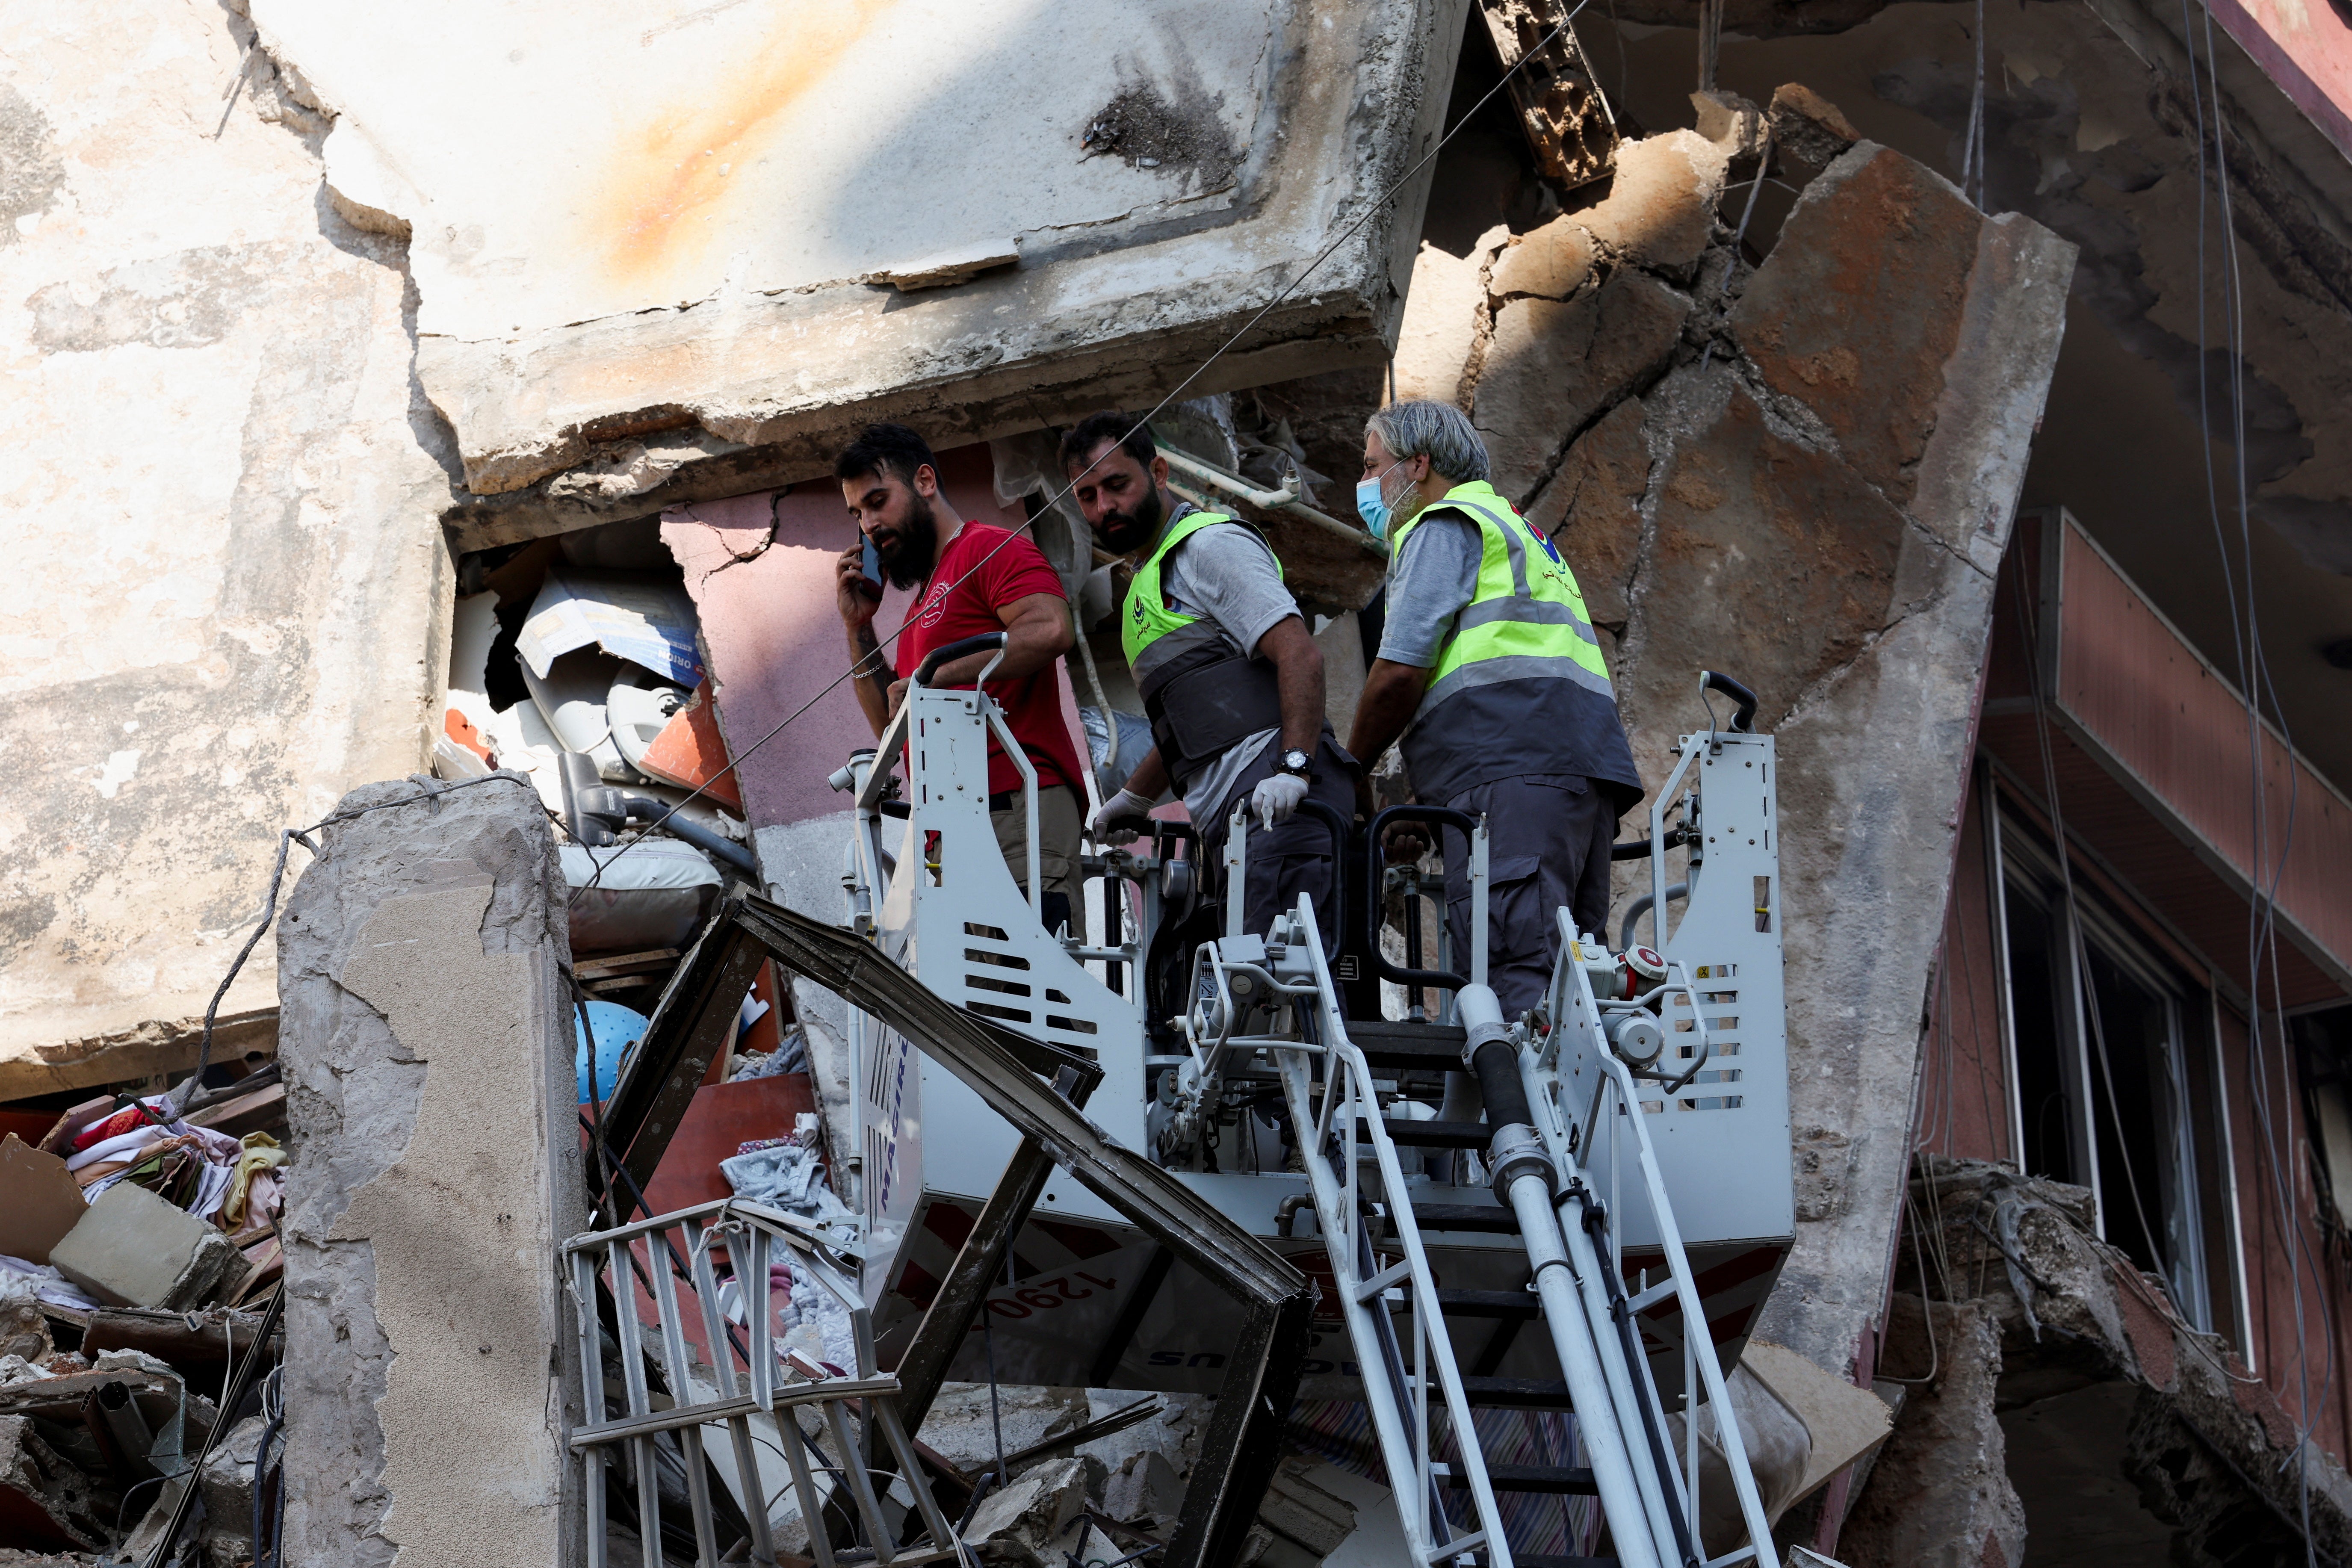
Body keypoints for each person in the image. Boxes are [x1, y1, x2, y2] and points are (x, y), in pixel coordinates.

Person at [1343, 399, 1643, 1016]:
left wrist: (1345, 768)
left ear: (1418, 465)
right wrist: (1425, 805)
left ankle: (1523, 1116)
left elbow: (1401, 672)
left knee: (1514, 977)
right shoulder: (1520, 531)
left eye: (1374, 467)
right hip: (1576, 778)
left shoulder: (1442, 524)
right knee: (1576, 981)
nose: (1366, 486)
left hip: (1514, 775)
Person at [1059, 410, 1358, 945]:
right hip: (1235, 821)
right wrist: (1135, 796)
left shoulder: (1207, 547)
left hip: (1279, 804)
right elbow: (1194, 720)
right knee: (1249, 1007)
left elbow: (1298, 655)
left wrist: (1294, 769)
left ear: (1158, 472)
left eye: (1117, 485)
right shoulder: (1143, 590)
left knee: (1280, 1008)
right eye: (1087, 496)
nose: (1105, 507)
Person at [832, 422, 1089, 936]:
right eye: (858, 514)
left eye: (878, 501)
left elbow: (1050, 627)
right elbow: (891, 721)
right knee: (972, 1009)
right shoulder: (917, 610)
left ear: (925, 481)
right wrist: (858, 627)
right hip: (947, 830)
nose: (870, 525)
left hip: (1013, 806)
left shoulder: (990, 548)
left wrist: (935, 675)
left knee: (1039, 996)